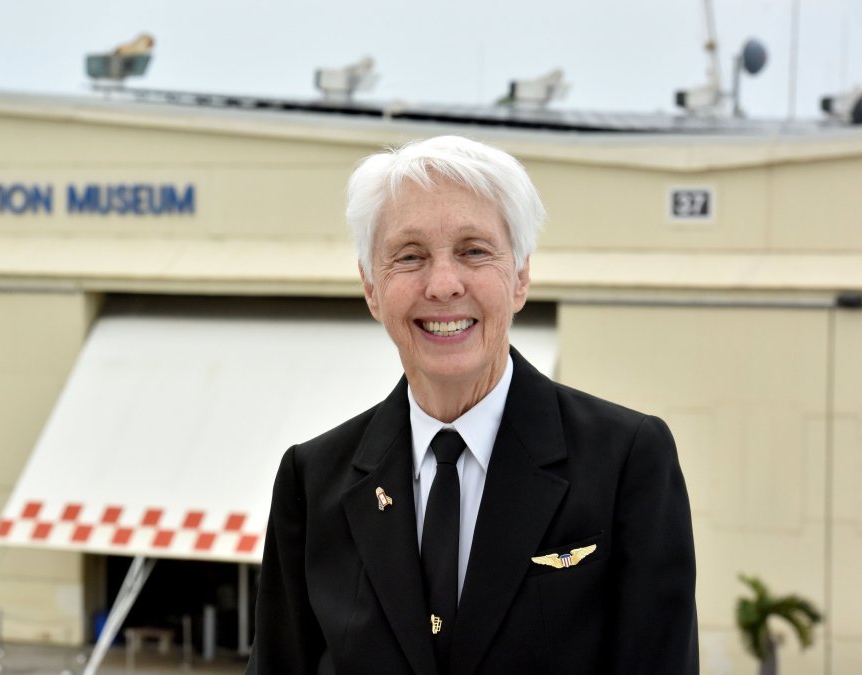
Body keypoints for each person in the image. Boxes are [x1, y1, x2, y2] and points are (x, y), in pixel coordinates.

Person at [247, 136, 697, 674]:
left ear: (521, 276)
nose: (442, 285)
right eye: (409, 256)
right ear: (371, 287)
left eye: (474, 251)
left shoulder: (627, 461)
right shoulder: (312, 480)